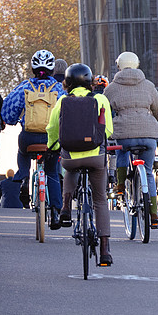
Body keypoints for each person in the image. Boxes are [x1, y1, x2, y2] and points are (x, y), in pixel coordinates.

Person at [47, 64, 115, 266]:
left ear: (67, 82)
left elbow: (52, 127)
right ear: (90, 81)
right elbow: (108, 129)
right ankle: (104, 251)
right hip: (95, 157)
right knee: (100, 200)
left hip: (71, 157)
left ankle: (66, 207)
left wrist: (53, 145)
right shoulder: (100, 99)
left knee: (69, 166)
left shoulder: (63, 101)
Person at [1, 49, 67, 227]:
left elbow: (8, 112)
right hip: (52, 139)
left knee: (22, 152)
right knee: (52, 172)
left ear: (33, 68)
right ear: (52, 69)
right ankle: (55, 212)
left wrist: (13, 120)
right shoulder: (60, 89)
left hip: (29, 137)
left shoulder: (25, 86)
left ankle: (22, 173)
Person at [103, 51, 158, 229]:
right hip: (149, 134)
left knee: (122, 151)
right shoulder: (148, 85)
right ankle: (153, 215)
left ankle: (121, 185)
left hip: (124, 132)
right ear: (137, 65)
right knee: (147, 172)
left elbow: (104, 110)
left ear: (119, 66)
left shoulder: (112, 87)